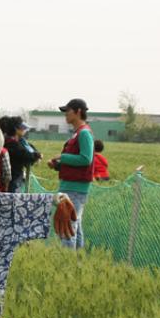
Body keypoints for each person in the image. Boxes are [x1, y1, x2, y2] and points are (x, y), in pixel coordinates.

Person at [47, 98, 94, 249]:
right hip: (70, 186)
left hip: (75, 189)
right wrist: (58, 165)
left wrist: (62, 157)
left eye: (68, 111)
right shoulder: (77, 133)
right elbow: (76, 162)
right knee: (76, 228)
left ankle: (67, 263)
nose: (65, 115)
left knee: (67, 228)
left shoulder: (84, 133)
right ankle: (78, 263)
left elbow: (86, 159)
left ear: (78, 111)